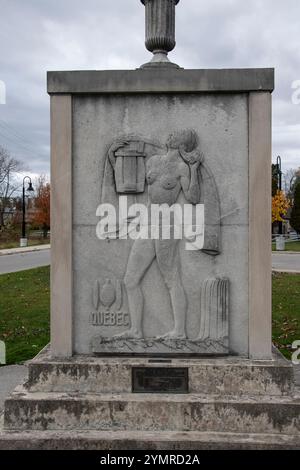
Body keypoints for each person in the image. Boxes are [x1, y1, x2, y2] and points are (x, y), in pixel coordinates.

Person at [115, 130, 203, 339]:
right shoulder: (153, 161)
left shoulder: (182, 168)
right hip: (149, 221)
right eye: (172, 134)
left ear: (183, 144)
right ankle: (136, 330)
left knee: (171, 278)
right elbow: (149, 195)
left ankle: (179, 331)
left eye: (178, 135)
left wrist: (195, 169)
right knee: (130, 279)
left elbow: (193, 197)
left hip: (167, 223)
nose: (171, 136)